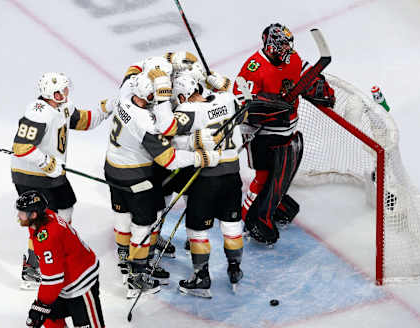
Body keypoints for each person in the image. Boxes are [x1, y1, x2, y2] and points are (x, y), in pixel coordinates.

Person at [105, 71, 221, 298]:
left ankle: (126, 260)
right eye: (157, 95)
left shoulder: (125, 95)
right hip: (135, 177)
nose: (162, 99)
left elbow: (132, 72)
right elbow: (168, 159)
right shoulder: (145, 122)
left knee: (125, 215)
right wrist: (201, 157)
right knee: (143, 225)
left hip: (113, 167)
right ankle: (136, 277)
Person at [232, 23, 335, 245]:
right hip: (262, 134)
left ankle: (272, 205)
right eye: (281, 45)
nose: (286, 49)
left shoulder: (291, 57)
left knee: (280, 175)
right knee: (263, 176)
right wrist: (262, 107)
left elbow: (306, 72)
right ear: (269, 45)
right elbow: (240, 101)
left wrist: (319, 86)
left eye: (288, 44)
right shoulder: (253, 67)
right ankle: (247, 218)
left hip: (288, 129)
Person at [11, 72, 112, 289]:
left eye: (67, 89)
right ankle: (33, 267)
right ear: (51, 92)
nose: (66, 93)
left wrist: (106, 109)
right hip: (31, 176)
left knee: (66, 206)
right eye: (62, 90)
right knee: (43, 221)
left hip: (52, 174)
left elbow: (83, 121)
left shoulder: (63, 106)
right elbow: (21, 147)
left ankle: (56, 250)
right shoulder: (38, 113)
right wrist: (46, 163)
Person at [169, 73, 243, 297]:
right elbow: (245, 112)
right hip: (233, 174)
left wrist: (190, 141)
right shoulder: (227, 99)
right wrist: (228, 86)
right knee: (231, 224)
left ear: (182, 95)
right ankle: (235, 268)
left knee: (197, 228)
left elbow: (168, 134)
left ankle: (201, 277)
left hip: (207, 178)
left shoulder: (188, 110)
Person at [16, 190, 108, 328]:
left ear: (33, 214)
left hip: (81, 282)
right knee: (48, 317)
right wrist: (41, 306)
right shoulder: (43, 218)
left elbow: (53, 279)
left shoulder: (47, 238)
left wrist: (39, 305)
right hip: (65, 281)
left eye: (22, 212)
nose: (18, 216)